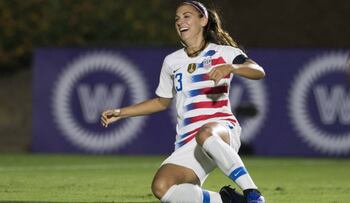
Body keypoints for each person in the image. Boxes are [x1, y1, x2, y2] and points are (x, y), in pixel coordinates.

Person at [101, 1, 266, 202]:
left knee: (205, 133)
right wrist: (120, 112)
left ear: (203, 20)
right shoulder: (172, 61)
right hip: (188, 140)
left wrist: (232, 68)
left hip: (221, 130)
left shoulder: (224, 53)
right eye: (177, 19)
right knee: (162, 187)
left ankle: (253, 194)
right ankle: (227, 200)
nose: (180, 22)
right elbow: (161, 102)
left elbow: (258, 71)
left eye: (187, 16)